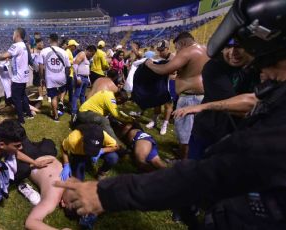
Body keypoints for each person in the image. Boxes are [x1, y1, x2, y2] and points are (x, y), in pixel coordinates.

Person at [56, 1, 286, 229]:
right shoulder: (218, 71)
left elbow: (210, 173)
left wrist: (106, 193)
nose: (262, 71)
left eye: (265, 59)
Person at [173, 39, 259, 160]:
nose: (233, 52)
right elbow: (240, 108)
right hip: (209, 133)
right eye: (228, 47)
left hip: (241, 137)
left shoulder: (260, 68)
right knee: (197, 173)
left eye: (239, 46)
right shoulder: (214, 67)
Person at [145, 32, 209, 159]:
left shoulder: (187, 51)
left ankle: (183, 161)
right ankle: (187, 154)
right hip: (201, 96)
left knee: (185, 132)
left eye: (177, 47)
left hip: (189, 97)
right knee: (194, 130)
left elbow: (165, 69)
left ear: (183, 43)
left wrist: (149, 64)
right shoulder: (205, 49)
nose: (178, 50)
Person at [0, 28, 33, 124]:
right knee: (23, 96)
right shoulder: (23, 45)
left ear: (17, 35)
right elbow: (12, 56)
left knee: (16, 98)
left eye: (13, 34)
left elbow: (4, 55)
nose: (12, 36)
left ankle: (20, 119)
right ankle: (29, 114)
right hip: (23, 76)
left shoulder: (16, 45)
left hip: (18, 78)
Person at [146, 40, 177, 135]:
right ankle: (154, 120)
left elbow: (173, 73)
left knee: (168, 105)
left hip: (170, 83)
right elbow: (149, 61)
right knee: (157, 103)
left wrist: (160, 70)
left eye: (162, 50)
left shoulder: (173, 58)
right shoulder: (158, 56)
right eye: (159, 50)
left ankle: (165, 124)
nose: (160, 52)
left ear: (167, 48)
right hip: (160, 83)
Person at [38, 33, 70, 122]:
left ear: (49, 40)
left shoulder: (44, 51)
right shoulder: (64, 51)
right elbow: (68, 67)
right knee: (62, 91)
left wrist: (41, 78)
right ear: (58, 40)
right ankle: (61, 102)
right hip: (61, 76)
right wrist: (66, 76)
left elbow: (41, 66)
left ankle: (56, 117)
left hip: (50, 77)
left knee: (53, 97)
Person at [71, 45, 97, 115]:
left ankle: (84, 109)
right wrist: (78, 77)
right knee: (76, 95)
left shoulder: (87, 58)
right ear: (89, 51)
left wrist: (88, 79)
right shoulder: (82, 54)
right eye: (92, 54)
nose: (92, 56)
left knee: (82, 95)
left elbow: (86, 68)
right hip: (80, 77)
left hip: (85, 78)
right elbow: (75, 65)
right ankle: (74, 111)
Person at [65, 39, 80, 110]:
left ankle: (68, 103)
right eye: (75, 46)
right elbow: (66, 62)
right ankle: (70, 104)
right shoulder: (67, 52)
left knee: (69, 90)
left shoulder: (69, 52)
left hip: (69, 74)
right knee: (69, 90)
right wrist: (73, 62)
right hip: (68, 74)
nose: (76, 47)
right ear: (71, 46)